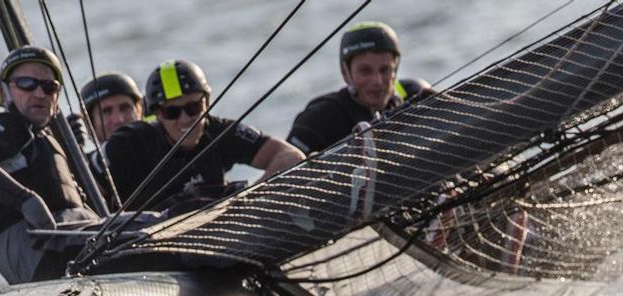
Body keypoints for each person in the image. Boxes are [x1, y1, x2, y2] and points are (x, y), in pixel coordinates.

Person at [0, 46, 100, 284]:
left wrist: (76, 155)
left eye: (49, 86)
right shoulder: (6, 125)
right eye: (26, 84)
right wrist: (24, 199)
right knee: (141, 234)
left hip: (68, 231)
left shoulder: (48, 139)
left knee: (152, 224)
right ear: (5, 92)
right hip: (31, 241)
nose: (40, 93)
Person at [97, 59, 304, 213]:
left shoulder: (220, 131)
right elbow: (83, 190)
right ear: (158, 114)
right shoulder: (128, 144)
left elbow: (290, 157)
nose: (186, 119)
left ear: (207, 102)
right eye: (173, 112)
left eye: (193, 107)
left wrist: (246, 202)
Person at [288, 21, 411, 155]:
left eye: (385, 70)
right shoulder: (319, 118)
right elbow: (285, 166)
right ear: (345, 72)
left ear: (395, 70)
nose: (377, 81)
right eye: (365, 71)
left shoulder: (412, 96)